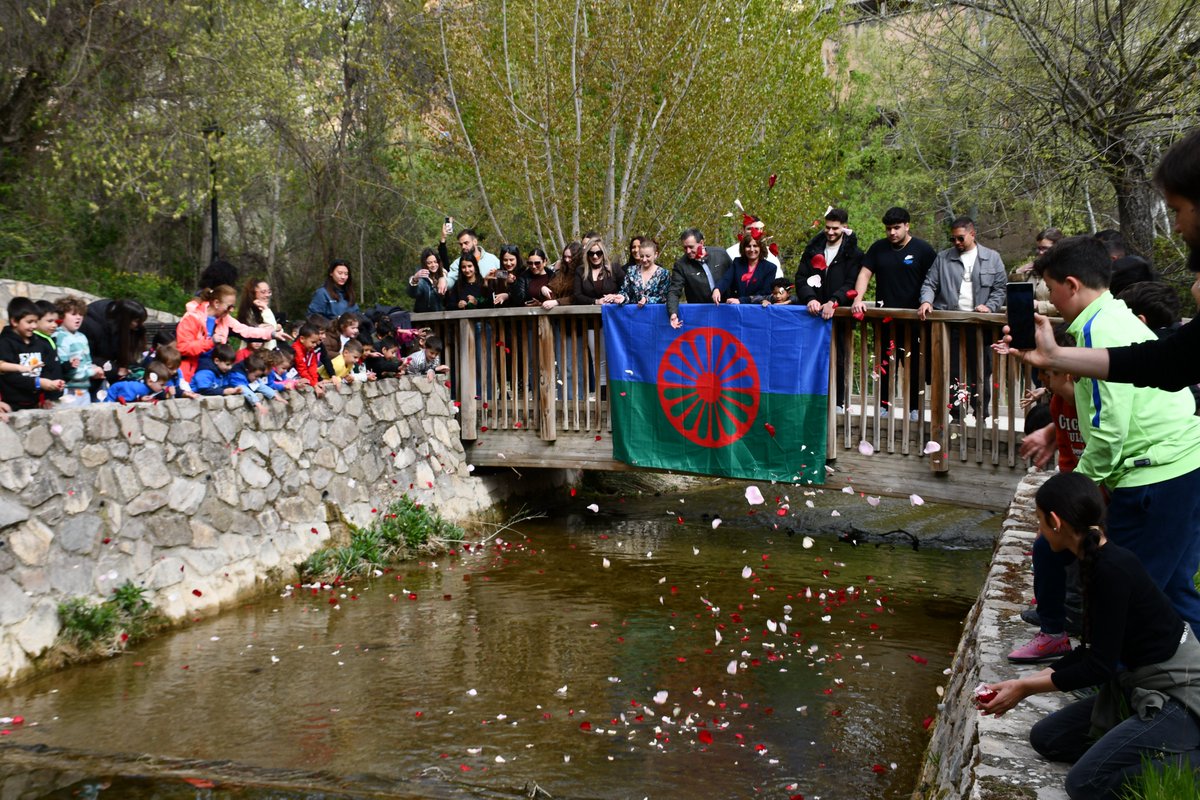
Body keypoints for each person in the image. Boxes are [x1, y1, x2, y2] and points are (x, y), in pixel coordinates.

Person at [976, 471, 1200, 800]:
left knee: (1084, 783)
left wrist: (1024, 686)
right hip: (1140, 684)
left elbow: (1099, 666)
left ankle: (1192, 759)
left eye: (1038, 522)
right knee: (1047, 738)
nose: (1038, 531)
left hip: (1180, 695)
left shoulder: (1113, 569)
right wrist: (1023, 684)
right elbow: (1093, 651)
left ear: (1055, 521)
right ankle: (1159, 739)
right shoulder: (1095, 561)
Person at [1026, 235, 1200, 629]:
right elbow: (1099, 401)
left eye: (1052, 291)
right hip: (1185, 463)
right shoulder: (1114, 314)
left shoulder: (1096, 333)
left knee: (1127, 593)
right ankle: (1184, 685)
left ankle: (1119, 686)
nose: (1052, 303)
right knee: (1173, 590)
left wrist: (1076, 492)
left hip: (1156, 476)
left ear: (1072, 285)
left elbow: (1109, 432)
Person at [1008, 128, 1200, 390]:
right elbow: (1170, 362)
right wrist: (1054, 356)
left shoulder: (1098, 330)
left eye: (1177, 210)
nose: (1176, 226)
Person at [1010, 327, 1085, 664]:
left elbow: (1108, 452)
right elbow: (1068, 458)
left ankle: (1093, 641)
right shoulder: (1058, 402)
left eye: (1047, 373)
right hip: (1081, 488)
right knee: (1045, 546)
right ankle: (1054, 634)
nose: (1044, 381)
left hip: (1106, 492)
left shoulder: (1095, 399)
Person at [851, 207, 938, 418]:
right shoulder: (878, 249)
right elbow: (865, 274)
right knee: (884, 364)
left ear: (907, 226)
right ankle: (883, 406)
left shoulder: (923, 249)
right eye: (888, 228)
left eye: (897, 228)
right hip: (885, 319)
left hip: (915, 319)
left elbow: (935, 279)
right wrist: (858, 298)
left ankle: (915, 409)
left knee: (915, 366)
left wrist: (930, 302)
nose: (892, 233)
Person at [919, 216, 1007, 418]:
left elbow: (1000, 288)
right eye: (953, 239)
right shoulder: (943, 258)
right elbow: (930, 283)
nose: (956, 243)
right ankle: (957, 415)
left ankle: (981, 414)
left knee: (982, 373)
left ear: (972, 234)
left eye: (960, 238)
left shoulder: (992, 258)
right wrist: (926, 301)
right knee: (952, 371)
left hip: (981, 325)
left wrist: (990, 306)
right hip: (951, 325)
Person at [0, 297, 66, 410]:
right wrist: (38, 383)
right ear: (14, 321)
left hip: (36, 403)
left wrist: (51, 386)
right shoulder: (5, 343)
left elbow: (46, 369)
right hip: (10, 404)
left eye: (36, 321)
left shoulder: (39, 343)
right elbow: (9, 375)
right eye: (29, 322)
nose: (34, 326)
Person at [667, 228, 731, 329]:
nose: (688, 251)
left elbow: (733, 277)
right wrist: (673, 313)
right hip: (701, 315)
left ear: (701, 243)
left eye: (691, 247)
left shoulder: (720, 254)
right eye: (685, 248)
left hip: (727, 310)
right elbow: (674, 291)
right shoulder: (681, 265)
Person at [81, 298, 148, 391]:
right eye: (136, 321)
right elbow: (87, 356)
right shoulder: (92, 325)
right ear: (126, 320)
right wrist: (115, 370)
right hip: (91, 375)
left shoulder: (119, 321)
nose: (139, 325)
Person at [54, 295, 104, 406]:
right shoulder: (60, 337)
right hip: (68, 391)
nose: (78, 318)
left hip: (84, 389)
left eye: (81, 314)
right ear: (61, 316)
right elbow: (65, 369)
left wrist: (95, 369)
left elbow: (87, 362)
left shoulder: (82, 336)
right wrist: (92, 372)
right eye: (73, 314)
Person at [1012, 227, 1064, 315]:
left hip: (1057, 325)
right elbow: (1015, 295)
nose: (1040, 252)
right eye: (1039, 248)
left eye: (1045, 248)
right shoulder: (1031, 271)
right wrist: (1018, 272)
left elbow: (1069, 305)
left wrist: (1039, 306)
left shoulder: (1066, 271)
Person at [713, 235, 776, 304]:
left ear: (761, 248)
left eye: (755, 246)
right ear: (743, 248)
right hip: (735, 308)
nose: (752, 249)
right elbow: (726, 279)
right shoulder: (737, 263)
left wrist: (741, 300)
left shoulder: (770, 268)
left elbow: (765, 293)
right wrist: (717, 289)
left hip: (757, 308)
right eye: (748, 246)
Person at [440, 227, 500, 294]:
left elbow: (504, 275)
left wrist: (497, 274)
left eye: (466, 243)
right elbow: (450, 279)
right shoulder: (458, 263)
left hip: (490, 301)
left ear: (475, 241)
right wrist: (443, 280)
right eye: (461, 244)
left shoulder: (491, 258)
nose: (463, 247)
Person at [612, 238, 670, 306]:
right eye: (642, 256)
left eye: (648, 256)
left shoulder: (664, 273)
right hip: (634, 313)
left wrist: (647, 300)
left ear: (655, 255)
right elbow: (625, 291)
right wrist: (622, 297)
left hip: (655, 313)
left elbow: (664, 297)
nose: (644, 259)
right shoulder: (631, 271)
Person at [236, 279, 287, 350]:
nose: (267, 295)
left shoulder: (264, 310)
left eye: (269, 292)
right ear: (253, 294)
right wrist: (265, 309)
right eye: (263, 292)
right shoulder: (249, 313)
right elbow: (272, 330)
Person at [575, 236, 626, 306]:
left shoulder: (615, 268)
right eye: (591, 253)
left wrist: (615, 296)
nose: (595, 256)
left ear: (603, 253)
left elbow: (626, 289)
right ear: (587, 254)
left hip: (612, 313)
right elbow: (577, 296)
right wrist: (596, 301)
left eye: (598, 253)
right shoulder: (580, 271)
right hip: (589, 314)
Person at [32, 300, 65, 405]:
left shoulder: (49, 339)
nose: (55, 325)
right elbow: (39, 371)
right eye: (50, 321)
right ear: (36, 321)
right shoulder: (36, 342)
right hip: (44, 397)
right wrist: (43, 397)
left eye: (56, 321)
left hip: (54, 392)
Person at [291, 322, 325, 398]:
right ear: (302, 339)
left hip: (304, 376)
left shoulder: (310, 349)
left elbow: (313, 367)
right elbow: (302, 370)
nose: (315, 345)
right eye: (313, 342)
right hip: (292, 377)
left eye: (316, 342)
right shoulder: (296, 350)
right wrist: (315, 385)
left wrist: (316, 382)